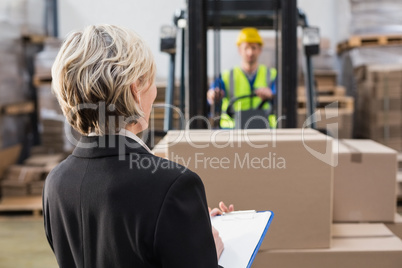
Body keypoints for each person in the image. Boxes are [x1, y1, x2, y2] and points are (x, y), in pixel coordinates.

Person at [43, 24, 234, 268]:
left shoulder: (56, 183)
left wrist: (188, 227)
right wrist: (209, 252)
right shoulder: (173, 185)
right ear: (136, 90)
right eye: (151, 82)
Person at [207, 27, 277, 129]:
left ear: (260, 50)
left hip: (265, 128)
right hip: (231, 130)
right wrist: (213, 95)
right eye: (246, 48)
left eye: (253, 48)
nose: (250, 53)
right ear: (240, 50)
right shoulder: (227, 76)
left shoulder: (272, 74)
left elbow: (281, 97)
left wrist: (271, 95)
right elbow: (214, 92)